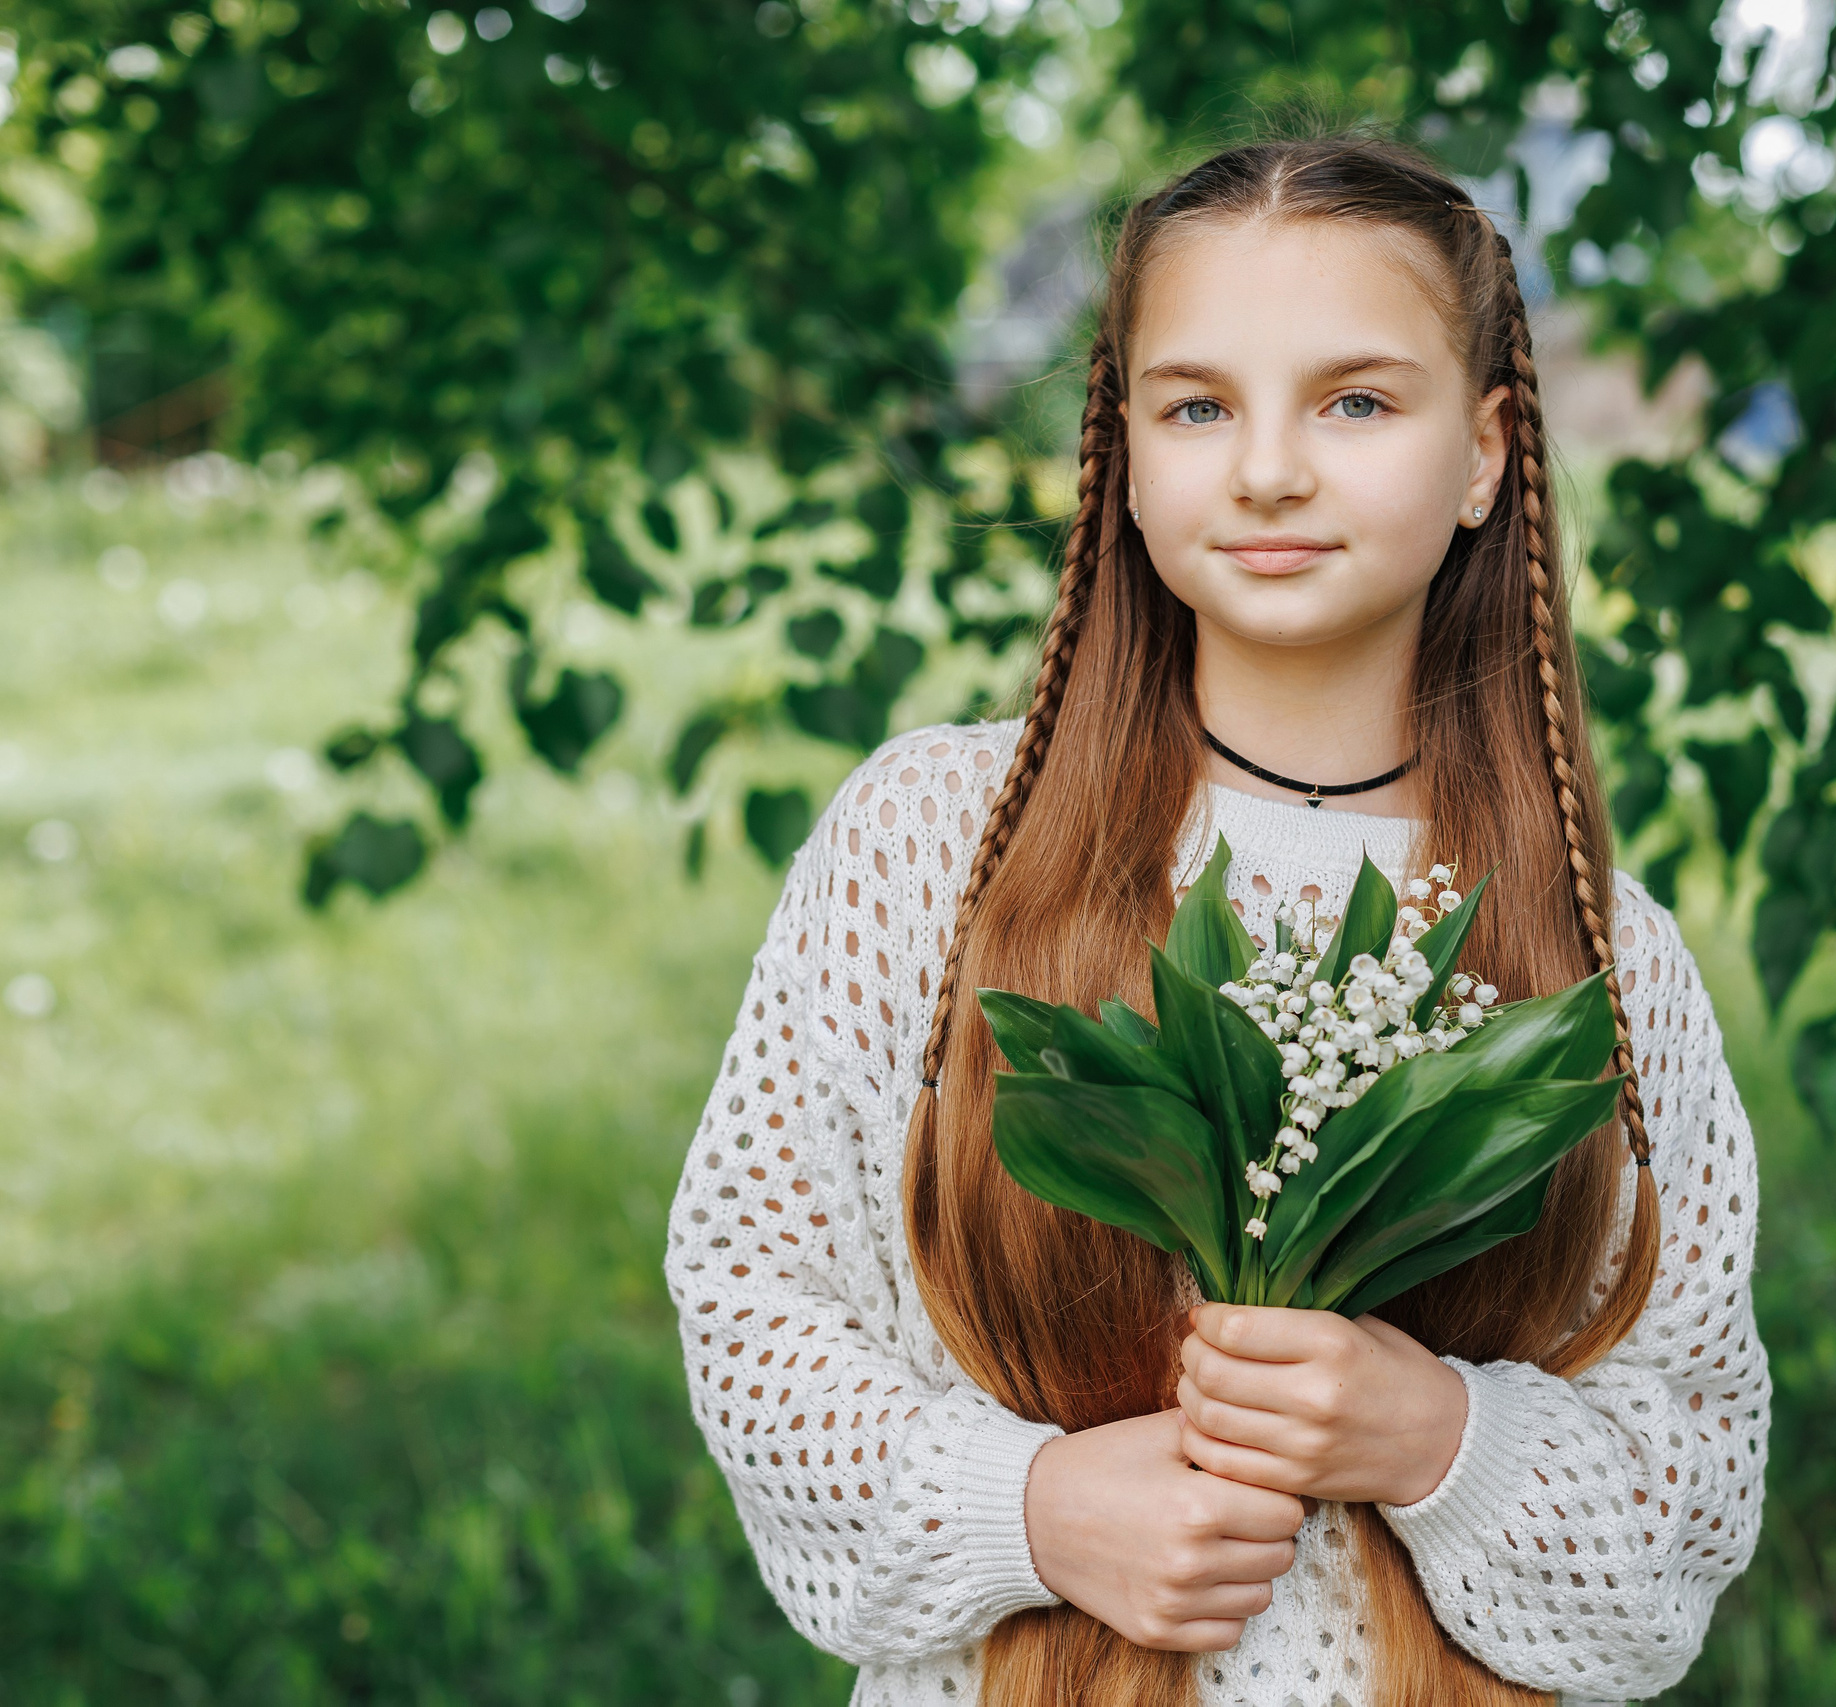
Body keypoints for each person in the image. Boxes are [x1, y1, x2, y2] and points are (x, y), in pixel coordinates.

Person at [664, 134, 1767, 1707]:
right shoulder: (934, 847)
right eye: (1198, 405)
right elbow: (752, 1297)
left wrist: (1443, 1440)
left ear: (1485, 452)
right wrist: (1028, 1511)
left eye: (1357, 402)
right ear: (1122, 447)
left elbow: (1693, 1469)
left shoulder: (1596, 954)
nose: (1266, 469)